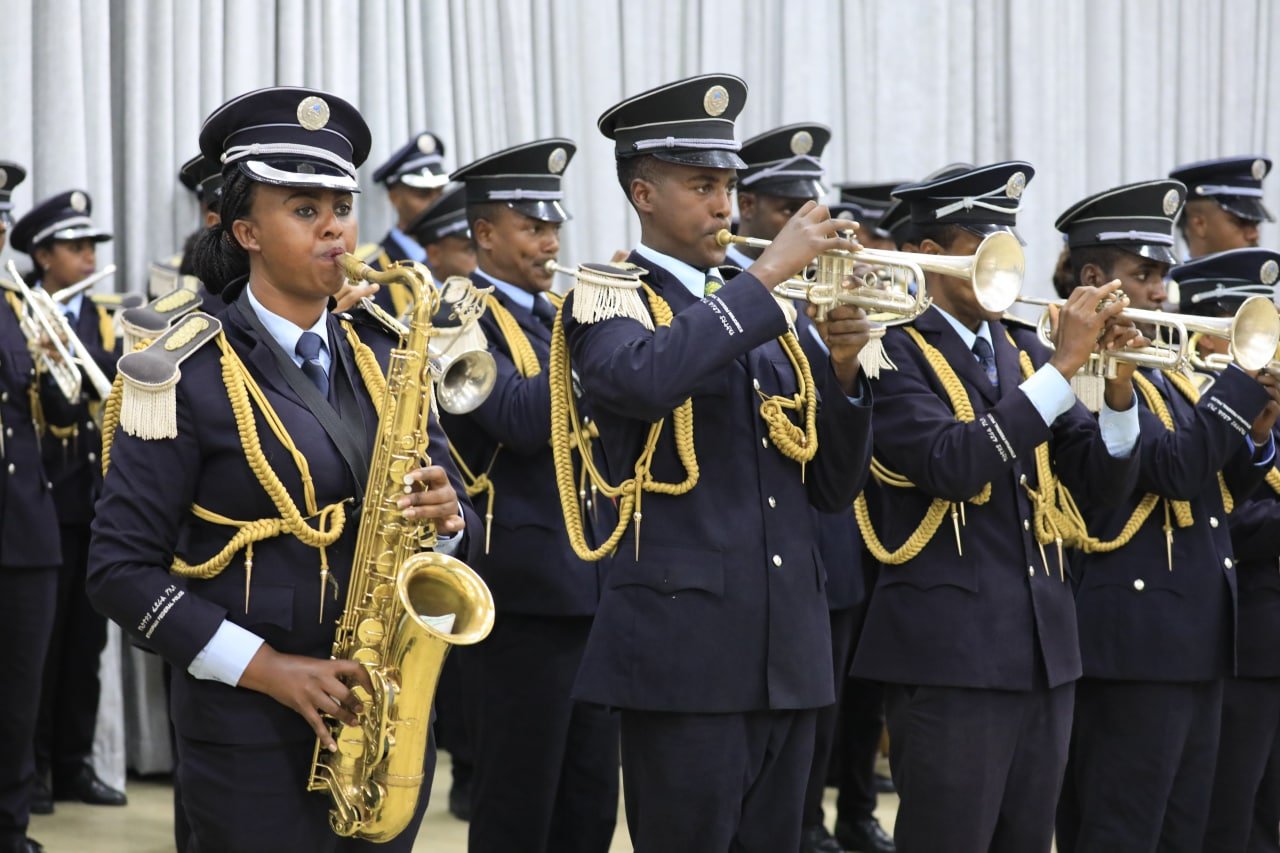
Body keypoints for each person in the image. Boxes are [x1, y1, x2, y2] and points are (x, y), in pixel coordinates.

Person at [86, 86, 480, 852]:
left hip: (380, 723)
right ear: (245, 231)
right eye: (304, 208)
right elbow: (118, 570)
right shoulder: (180, 371)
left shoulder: (384, 353)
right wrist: (267, 667)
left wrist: (448, 520)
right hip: (248, 733)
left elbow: (436, 522)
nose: (334, 224)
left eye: (341, 203)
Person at [558, 72, 875, 852]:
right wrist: (769, 277)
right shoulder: (609, 295)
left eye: (729, 185)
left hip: (789, 650)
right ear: (643, 193)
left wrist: (841, 368)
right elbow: (642, 378)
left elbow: (832, 489)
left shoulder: (764, 308)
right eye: (702, 186)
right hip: (684, 655)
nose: (724, 207)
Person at [851, 161, 1147, 852]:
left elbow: (1098, 490)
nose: (1003, 271)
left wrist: (1122, 393)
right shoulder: (888, 349)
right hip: (948, 656)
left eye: (1008, 252)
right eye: (983, 252)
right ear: (925, 258)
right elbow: (952, 464)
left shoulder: (1021, 351)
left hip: (1044, 654)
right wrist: (1062, 369)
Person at [1053, 181, 1280, 852]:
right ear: (1095, 278)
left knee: (1184, 831)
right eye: (1144, 275)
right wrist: (1239, 380)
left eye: (1163, 275)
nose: (1160, 291)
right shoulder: (1089, 373)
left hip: (1199, 642)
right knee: (1122, 828)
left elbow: (1221, 484)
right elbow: (1174, 468)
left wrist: (1260, 426)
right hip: (1133, 648)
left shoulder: (1163, 370)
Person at [441, 138, 619, 852]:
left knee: (589, 802)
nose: (550, 241)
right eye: (532, 226)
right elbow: (515, 417)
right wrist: (592, 339)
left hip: (595, 583)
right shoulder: (456, 312)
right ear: (485, 234)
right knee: (520, 801)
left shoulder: (555, 311)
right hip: (520, 592)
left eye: (553, 226)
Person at [728, 122, 893, 853]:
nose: (806, 215)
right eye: (788, 203)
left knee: (832, 709)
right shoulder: (733, 295)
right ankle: (805, 823)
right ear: (752, 207)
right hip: (741, 564)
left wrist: (848, 363)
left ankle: (832, 815)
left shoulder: (818, 295)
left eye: (810, 200)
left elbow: (844, 446)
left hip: (824, 542)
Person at [8, 190, 125, 813]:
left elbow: (124, 377)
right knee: (39, 648)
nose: (87, 257)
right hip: (41, 502)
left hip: (95, 500)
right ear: (43, 255)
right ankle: (35, 771)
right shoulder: (19, 312)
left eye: (91, 248)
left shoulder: (107, 317)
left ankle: (76, 763)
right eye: (75, 247)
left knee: (87, 644)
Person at [1176, 248, 1280, 853]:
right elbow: (1223, 516)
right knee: (1227, 813)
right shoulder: (1190, 400)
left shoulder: (1260, 403)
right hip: (1242, 637)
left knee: (1265, 813)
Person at [0, 159, 75, 853]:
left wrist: (55, 365)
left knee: (18, 692)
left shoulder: (22, 306)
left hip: (25, 527)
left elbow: (55, 416)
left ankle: (10, 826)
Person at [362, 131, 450, 316]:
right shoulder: (373, 269)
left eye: (440, 193)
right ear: (394, 197)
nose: (437, 203)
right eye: (423, 194)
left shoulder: (458, 258)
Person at [1170, 156, 1272, 259]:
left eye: (1256, 223)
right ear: (1199, 224)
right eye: (1242, 222)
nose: (1254, 235)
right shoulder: (1159, 275)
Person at [405, 183, 476, 282]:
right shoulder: (414, 295)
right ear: (434, 254)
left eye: (481, 250)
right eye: (471, 249)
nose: (481, 260)